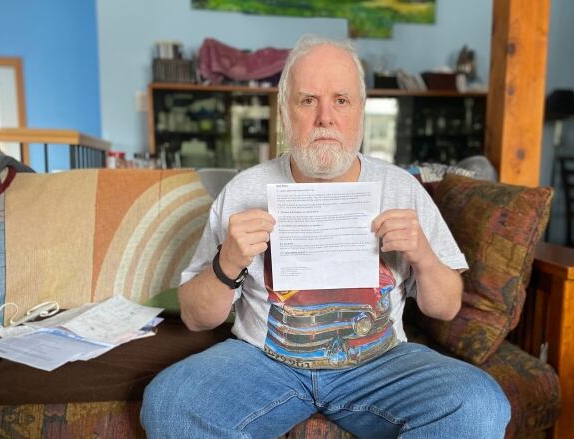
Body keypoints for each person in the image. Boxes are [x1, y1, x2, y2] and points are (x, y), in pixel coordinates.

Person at [141, 34, 510, 439]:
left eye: (341, 100)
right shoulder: (246, 190)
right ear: (284, 113)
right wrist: (227, 261)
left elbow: (446, 307)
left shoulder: (400, 188)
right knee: (169, 403)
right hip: (263, 361)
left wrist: (422, 254)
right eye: (307, 100)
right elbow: (195, 317)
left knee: (480, 403)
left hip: (381, 363)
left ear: (361, 113)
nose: (325, 118)